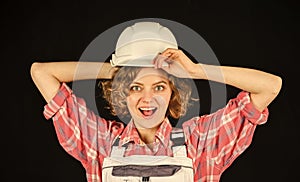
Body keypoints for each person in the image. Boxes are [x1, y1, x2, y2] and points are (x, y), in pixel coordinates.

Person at [30, 21, 282, 182]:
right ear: (123, 93)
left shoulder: (201, 141)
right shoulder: (100, 141)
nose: (147, 99)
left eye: (159, 87)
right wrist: (116, 70)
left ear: (173, 92)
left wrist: (195, 71)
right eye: (135, 87)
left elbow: (269, 86)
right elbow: (41, 72)